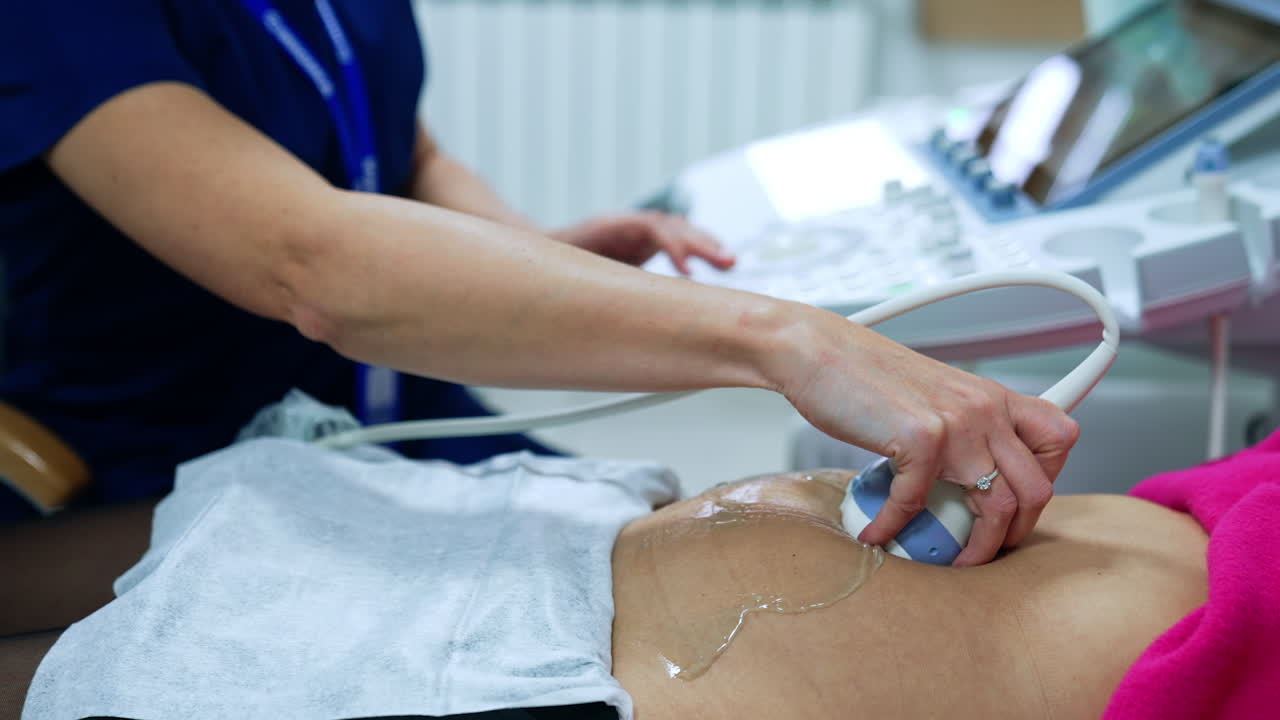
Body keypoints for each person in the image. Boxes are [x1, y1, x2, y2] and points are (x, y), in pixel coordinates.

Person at [0, 0, 1077, 566]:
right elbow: (310, 262)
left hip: (389, 418)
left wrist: (529, 259)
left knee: (697, 540)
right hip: (169, 467)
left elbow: (408, 154)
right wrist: (791, 341)